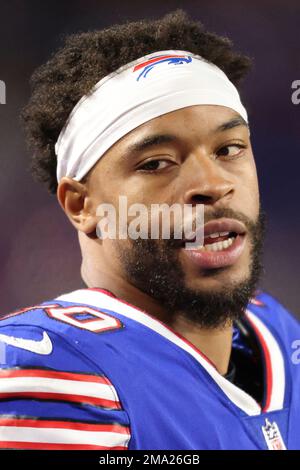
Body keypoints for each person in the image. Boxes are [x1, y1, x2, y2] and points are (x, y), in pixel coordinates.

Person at [0, 9, 299, 450]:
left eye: (229, 149)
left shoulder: (279, 331)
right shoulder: (54, 371)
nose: (214, 185)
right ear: (82, 205)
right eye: (157, 163)